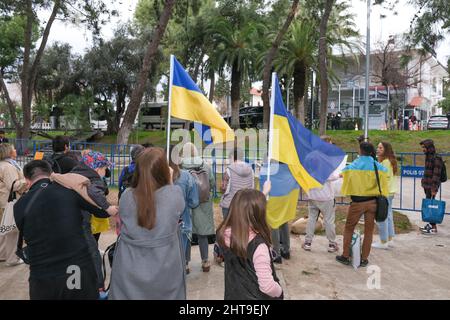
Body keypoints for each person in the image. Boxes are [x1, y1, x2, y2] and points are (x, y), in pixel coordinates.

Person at [13, 160, 110, 300]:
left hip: (42, 276)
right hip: (75, 269)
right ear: (51, 174)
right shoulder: (70, 191)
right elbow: (103, 212)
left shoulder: (19, 205)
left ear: (27, 181)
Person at [109, 148, 186, 300]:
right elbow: (176, 204)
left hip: (128, 268)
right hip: (165, 269)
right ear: (163, 171)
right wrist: (170, 179)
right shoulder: (174, 195)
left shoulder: (126, 197)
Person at [216, 184, 283, 300]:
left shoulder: (223, 234)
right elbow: (267, 287)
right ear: (258, 214)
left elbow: (246, 206)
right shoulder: (258, 246)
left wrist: (264, 192)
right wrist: (279, 291)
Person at [336, 142, 388, 267]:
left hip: (358, 203)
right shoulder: (377, 166)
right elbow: (385, 174)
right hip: (372, 202)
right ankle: (364, 259)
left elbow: (343, 173)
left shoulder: (355, 164)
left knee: (349, 228)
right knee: (369, 231)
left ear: (360, 151)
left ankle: (345, 256)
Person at [180, 142, 215, 272]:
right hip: (203, 202)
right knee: (203, 233)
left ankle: (185, 263)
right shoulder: (205, 166)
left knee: (187, 232)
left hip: (186, 203)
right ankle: (205, 261)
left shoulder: (181, 167)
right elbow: (211, 183)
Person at [303, 136, 340, 253]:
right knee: (329, 220)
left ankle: (307, 242)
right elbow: (331, 176)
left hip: (313, 193)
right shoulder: (326, 158)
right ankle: (332, 244)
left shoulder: (310, 156)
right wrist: (339, 175)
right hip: (326, 195)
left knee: (312, 218)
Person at [168, 145, 199, 275]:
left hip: (162, 225)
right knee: (179, 259)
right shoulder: (186, 176)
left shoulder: (156, 177)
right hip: (183, 222)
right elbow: (194, 202)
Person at [0, 144, 28, 266]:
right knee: (12, 229)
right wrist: (27, 181)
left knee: (4, 228)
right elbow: (14, 185)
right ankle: (12, 258)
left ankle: (2, 254)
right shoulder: (8, 167)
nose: (16, 150)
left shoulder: (4, 165)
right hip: (9, 201)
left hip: (4, 200)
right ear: (9, 152)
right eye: (14, 149)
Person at [372, 142, 398, 249]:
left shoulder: (385, 162)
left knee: (382, 217)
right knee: (388, 216)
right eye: (377, 147)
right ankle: (390, 239)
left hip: (385, 193)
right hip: (390, 192)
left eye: (380, 148)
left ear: (386, 149)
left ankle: (383, 241)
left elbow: (383, 178)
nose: (378, 149)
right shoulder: (390, 161)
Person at [219, 148, 255, 220]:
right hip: (245, 205)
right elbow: (252, 187)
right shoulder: (251, 170)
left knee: (229, 229)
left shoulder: (228, 170)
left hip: (230, 205)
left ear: (232, 156)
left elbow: (224, 189)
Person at [419, 139, 444, 234]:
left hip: (431, 186)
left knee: (431, 207)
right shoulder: (428, 157)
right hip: (427, 185)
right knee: (429, 206)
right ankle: (430, 225)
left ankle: (433, 227)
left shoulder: (436, 158)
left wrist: (434, 188)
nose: (423, 149)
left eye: (424, 147)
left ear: (429, 148)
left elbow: (436, 175)